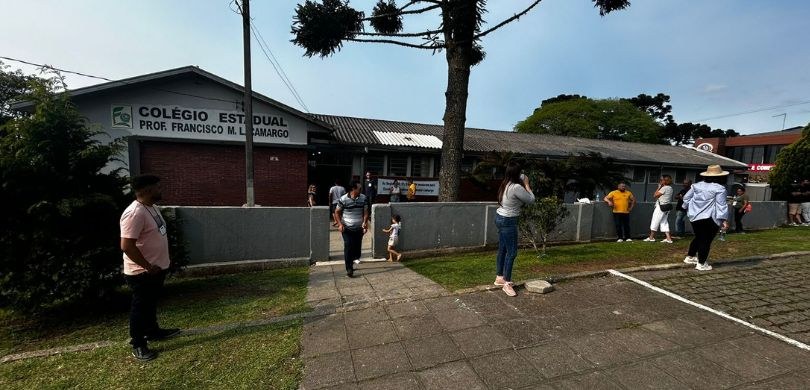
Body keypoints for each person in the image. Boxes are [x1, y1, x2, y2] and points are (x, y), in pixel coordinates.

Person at [120, 175, 180, 361]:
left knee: (150, 303)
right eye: (157, 187)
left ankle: (153, 331)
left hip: (156, 269)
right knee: (140, 307)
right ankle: (138, 344)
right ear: (147, 190)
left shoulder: (151, 208)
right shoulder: (134, 213)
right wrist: (147, 265)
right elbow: (126, 245)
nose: (160, 189)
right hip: (143, 272)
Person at [494, 161, 535, 297]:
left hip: (500, 216)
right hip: (508, 220)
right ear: (517, 174)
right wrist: (527, 184)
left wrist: (522, 178)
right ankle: (507, 283)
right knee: (512, 253)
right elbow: (531, 200)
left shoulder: (506, 183)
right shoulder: (517, 187)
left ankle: (500, 277)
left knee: (503, 249)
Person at [682, 165, 730, 271]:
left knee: (699, 237)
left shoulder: (696, 186)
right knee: (706, 240)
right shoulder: (719, 188)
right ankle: (701, 263)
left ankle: (690, 256)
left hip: (694, 216)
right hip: (709, 217)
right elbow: (721, 205)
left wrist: (687, 208)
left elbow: (686, 198)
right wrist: (724, 220)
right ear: (719, 177)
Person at [335, 181, 369, 277]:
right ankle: (349, 268)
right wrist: (340, 224)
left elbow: (366, 212)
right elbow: (337, 212)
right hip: (347, 228)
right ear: (353, 189)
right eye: (360, 188)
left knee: (357, 249)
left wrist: (365, 223)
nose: (361, 190)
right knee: (348, 246)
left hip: (359, 228)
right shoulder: (343, 199)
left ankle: (354, 258)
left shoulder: (363, 198)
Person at [644, 175, 674, 243]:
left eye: (661, 180)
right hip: (666, 207)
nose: (660, 181)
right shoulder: (670, 188)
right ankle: (668, 239)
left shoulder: (664, 188)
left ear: (664, 181)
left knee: (655, 221)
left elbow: (655, 195)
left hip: (660, 207)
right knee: (664, 222)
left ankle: (651, 237)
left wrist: (659, 187)